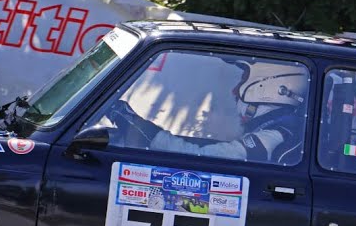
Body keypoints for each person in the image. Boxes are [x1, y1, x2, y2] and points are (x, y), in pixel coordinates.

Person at [106, 59, 308, 165]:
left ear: (269, 87)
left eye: (244, 79)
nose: (235, 91)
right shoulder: (282, 130)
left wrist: (135, 125)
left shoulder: (272, 137)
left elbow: (197, 157)